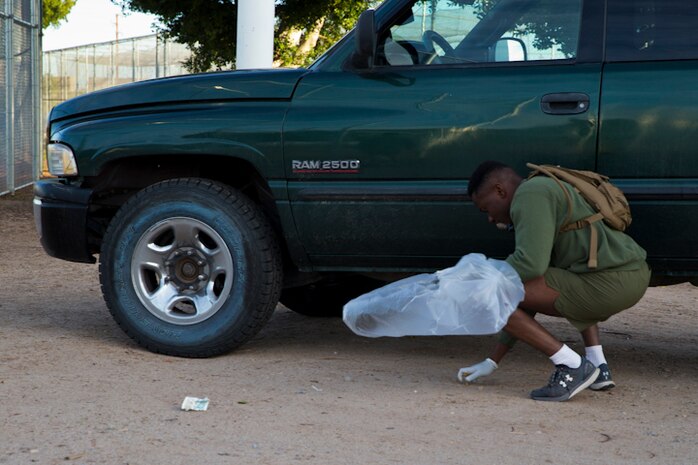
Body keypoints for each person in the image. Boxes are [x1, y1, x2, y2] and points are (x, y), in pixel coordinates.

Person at [459, 161, 651, 401]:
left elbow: (530, 265)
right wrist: (493, 361)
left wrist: (481, 279)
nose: (489, 218)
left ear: (500, 191)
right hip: (626, 275)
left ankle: (571, 366)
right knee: (537, 283)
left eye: (485, 209)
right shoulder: (541, 188)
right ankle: (597, 365)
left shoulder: (530, 196)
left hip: (610, 282)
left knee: (495, 291)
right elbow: (532, 288)